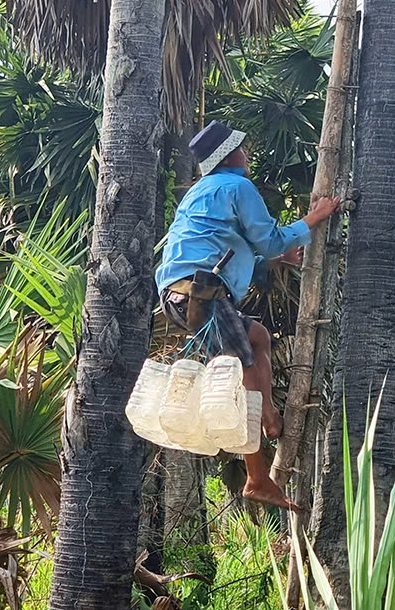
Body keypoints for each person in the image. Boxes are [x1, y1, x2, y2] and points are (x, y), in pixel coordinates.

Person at [155, 120, 341, 511]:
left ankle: (269, 414)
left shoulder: (201, 192)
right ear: (232, 156)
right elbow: (268, 237)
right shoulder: (238, 186)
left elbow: (223, 244)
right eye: (243, 148)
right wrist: (316, 216)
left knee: (257, 339)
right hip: (202, 292)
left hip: (180, 292)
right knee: (235, 379)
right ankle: (257, 477)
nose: (248, 154)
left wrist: (274, 257)